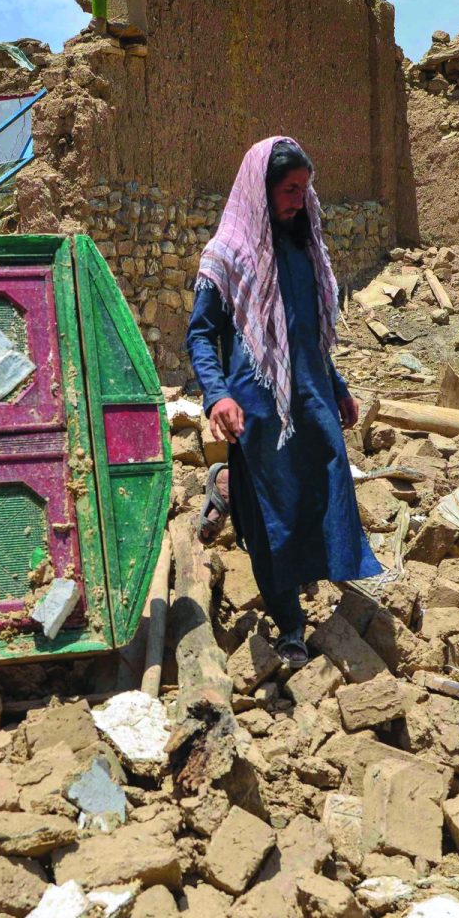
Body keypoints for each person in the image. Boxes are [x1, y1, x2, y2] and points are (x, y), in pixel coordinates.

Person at [186, 136, 381, 667]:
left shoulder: (303, 248)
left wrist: (337, 386)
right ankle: (290, 623)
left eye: (304, 190)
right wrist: (217, 396)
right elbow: (201, 336)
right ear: (261, 189)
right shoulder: (225, 256)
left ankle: (326, 572)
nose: (300, 200)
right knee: (275, 513)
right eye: (290, 190)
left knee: (327, 485)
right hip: (257, 405)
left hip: (312, 392)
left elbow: (306, 334)